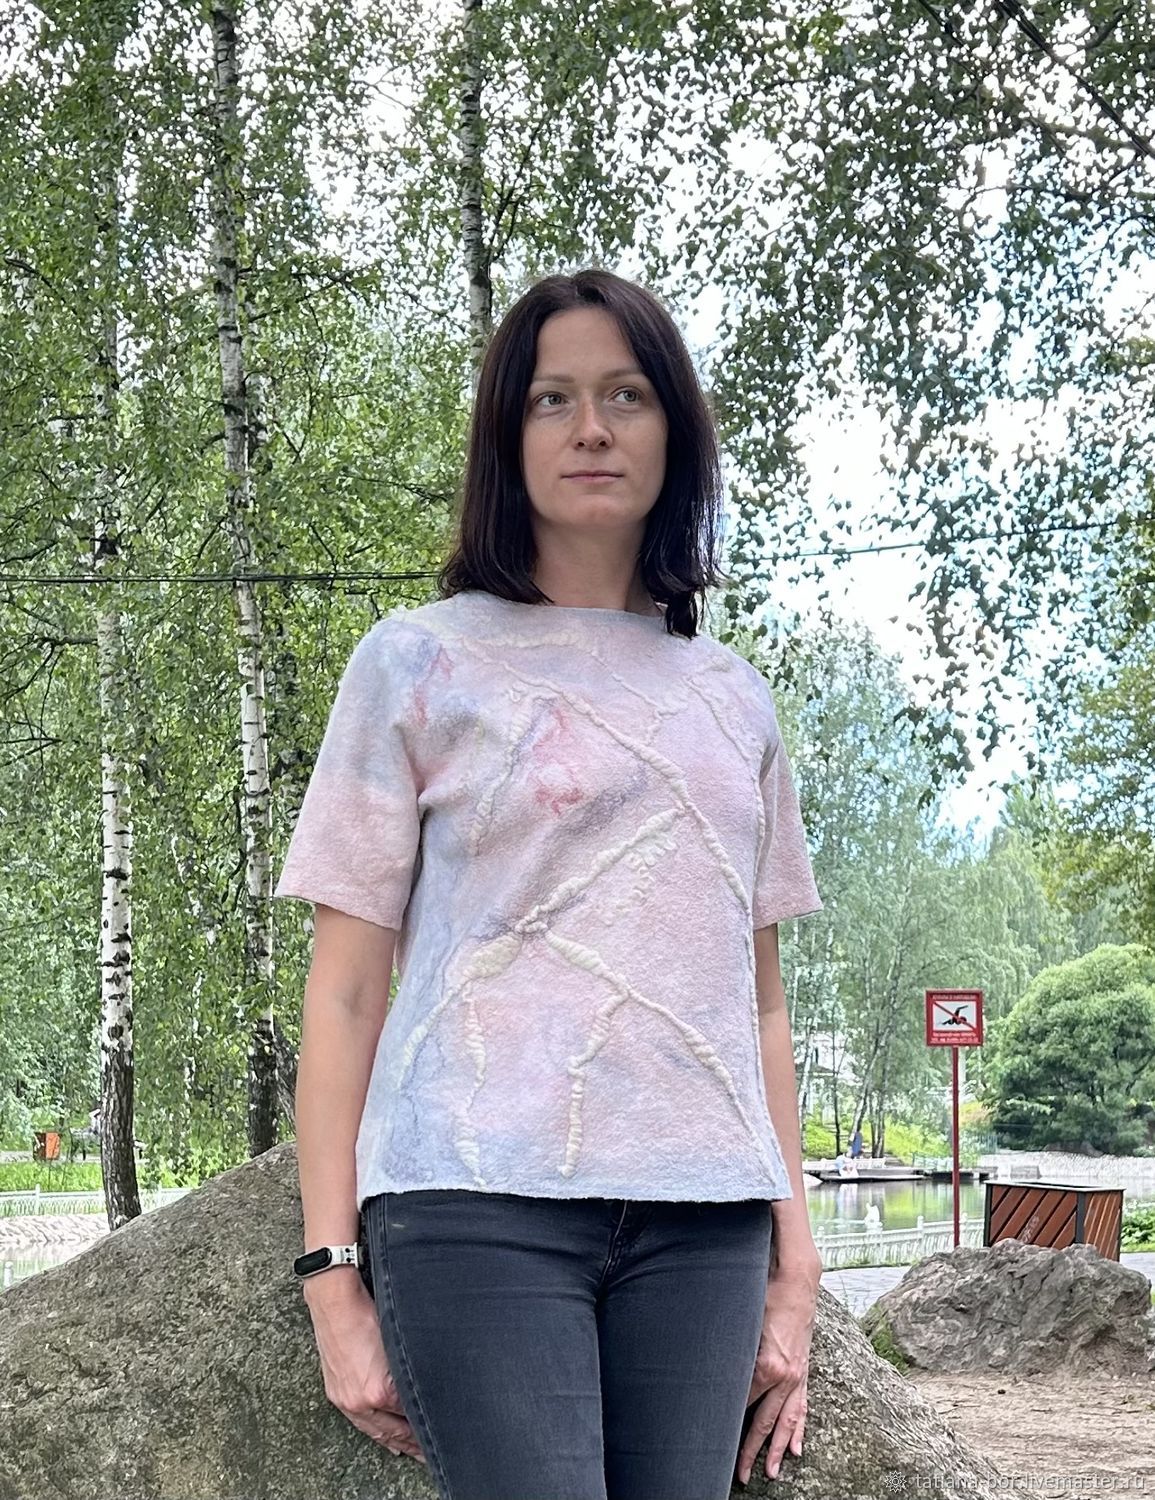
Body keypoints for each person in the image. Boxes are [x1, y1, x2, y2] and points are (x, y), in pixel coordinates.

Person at [275, 269, 825, 1500]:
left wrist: (796, 1270)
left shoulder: (731, 697)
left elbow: (760, 1006)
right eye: (552, 399)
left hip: (703, 1223)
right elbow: (346, 993)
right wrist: (331, 1279)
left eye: (626, 395)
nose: (591, 428)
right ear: (505, 439)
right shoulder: (415, 665)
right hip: (475, 1211)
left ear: (674, 431)